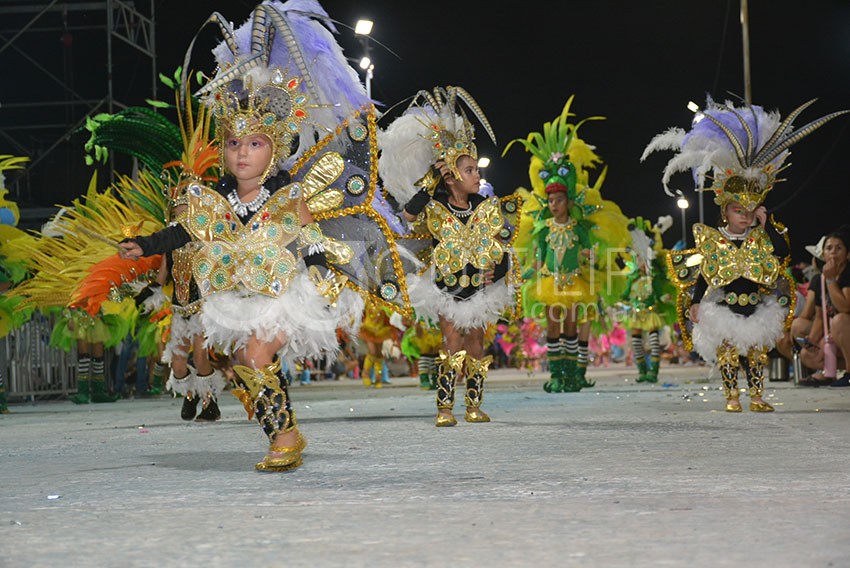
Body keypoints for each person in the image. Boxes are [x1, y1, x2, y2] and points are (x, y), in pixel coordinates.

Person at [119, 0, 409, 469]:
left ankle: (284, 439)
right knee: (245, 364)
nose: (241, 154)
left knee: (255, 356)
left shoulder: (290, 195)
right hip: (238, 290)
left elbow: (311, 237)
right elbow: (185, 230)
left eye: (254, 144)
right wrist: (147, 246)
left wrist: (320, 274)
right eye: (233, 144)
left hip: (285, 292)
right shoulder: (216, 197)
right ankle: (284, 432)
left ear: (274, 150)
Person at [645, 97, 847, 411]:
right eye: (739, 210)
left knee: (755, 354)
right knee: (728, 352)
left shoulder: (761, 238)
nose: (745, 215)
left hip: (755, 307)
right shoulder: (714, 240)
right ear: (726, 212)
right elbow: (705, 274)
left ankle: (756, 397)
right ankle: (731, 397)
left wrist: (766, 226)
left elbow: (781, 258)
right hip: (724, 308)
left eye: (750, 211)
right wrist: (697, 301)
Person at [379, 86, 520, 427]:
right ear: (453, 176)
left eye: (476, 169)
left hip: (480, 287)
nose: (477, 175)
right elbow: (406, 219)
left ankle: (474, 404)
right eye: (470, 170)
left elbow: (503, 246)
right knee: (451, 340)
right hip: (446, 284)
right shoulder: (436, 208)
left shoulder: (487, 207)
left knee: (476, 342)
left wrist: (496, 272)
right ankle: (445, 407)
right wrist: (429, 183)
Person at [504, 96, 630, 393]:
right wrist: (522, 276)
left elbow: (587, 250)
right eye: (550, 200)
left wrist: (594, 257)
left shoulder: (579, 226)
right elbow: (538, 258)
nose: (554, 204)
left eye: (558, 199)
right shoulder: (542, 228)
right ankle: (557, 375)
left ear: (567, 201)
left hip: (574, 283)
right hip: (549, 282)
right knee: (552, 330)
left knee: (572, 328)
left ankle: (573, 375)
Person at [622, 216, 678, 383]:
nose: (641, 263)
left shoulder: (653, 278)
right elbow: (625, 294)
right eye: (638, 260)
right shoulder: (633, 279)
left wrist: (664, 297)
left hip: (651, 310)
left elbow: (659, 292)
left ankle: (654, 371)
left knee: (654, 343)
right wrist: (621, 300)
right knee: (636, 343)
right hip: (635, 313)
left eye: (643, 260)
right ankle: (642, 371)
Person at [798, 229, 850, 387]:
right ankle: (830, 372)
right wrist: (813, 341)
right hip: (837, 334)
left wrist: (831, 281)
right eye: (829, 248)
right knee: (806, 354)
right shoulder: (820, 278)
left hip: (844, 327)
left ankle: (848, 372)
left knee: (839, 321)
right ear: (823, 255)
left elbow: (845, 307)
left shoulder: (846, 273)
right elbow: (820, 317)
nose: (833, 252)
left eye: (839, 248)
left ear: (847, 254)